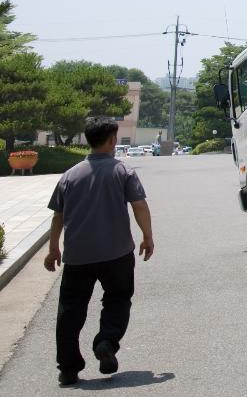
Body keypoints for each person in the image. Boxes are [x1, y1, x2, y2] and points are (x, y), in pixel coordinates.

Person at [44, 116, 154, 387]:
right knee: (117, 299)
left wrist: (53, 248)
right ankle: (106, 341)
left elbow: (58, 215)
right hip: (117, 253)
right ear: (111, 140)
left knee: (70, 311)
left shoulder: (70, 175)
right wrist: (147, 236)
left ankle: (68, 368)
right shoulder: (122, 171)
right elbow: (139, 205)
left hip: (78, 255)